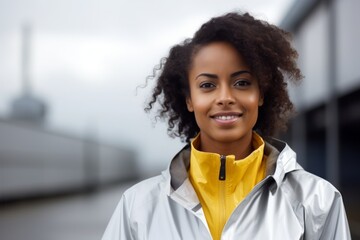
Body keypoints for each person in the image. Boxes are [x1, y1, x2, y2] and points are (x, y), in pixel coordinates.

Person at [102, 11, 351, 239]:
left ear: (261, 94)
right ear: (189, 99)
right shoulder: (137, 207)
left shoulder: (317, 201)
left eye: (242, 83)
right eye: (207, 85)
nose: (225, 97)